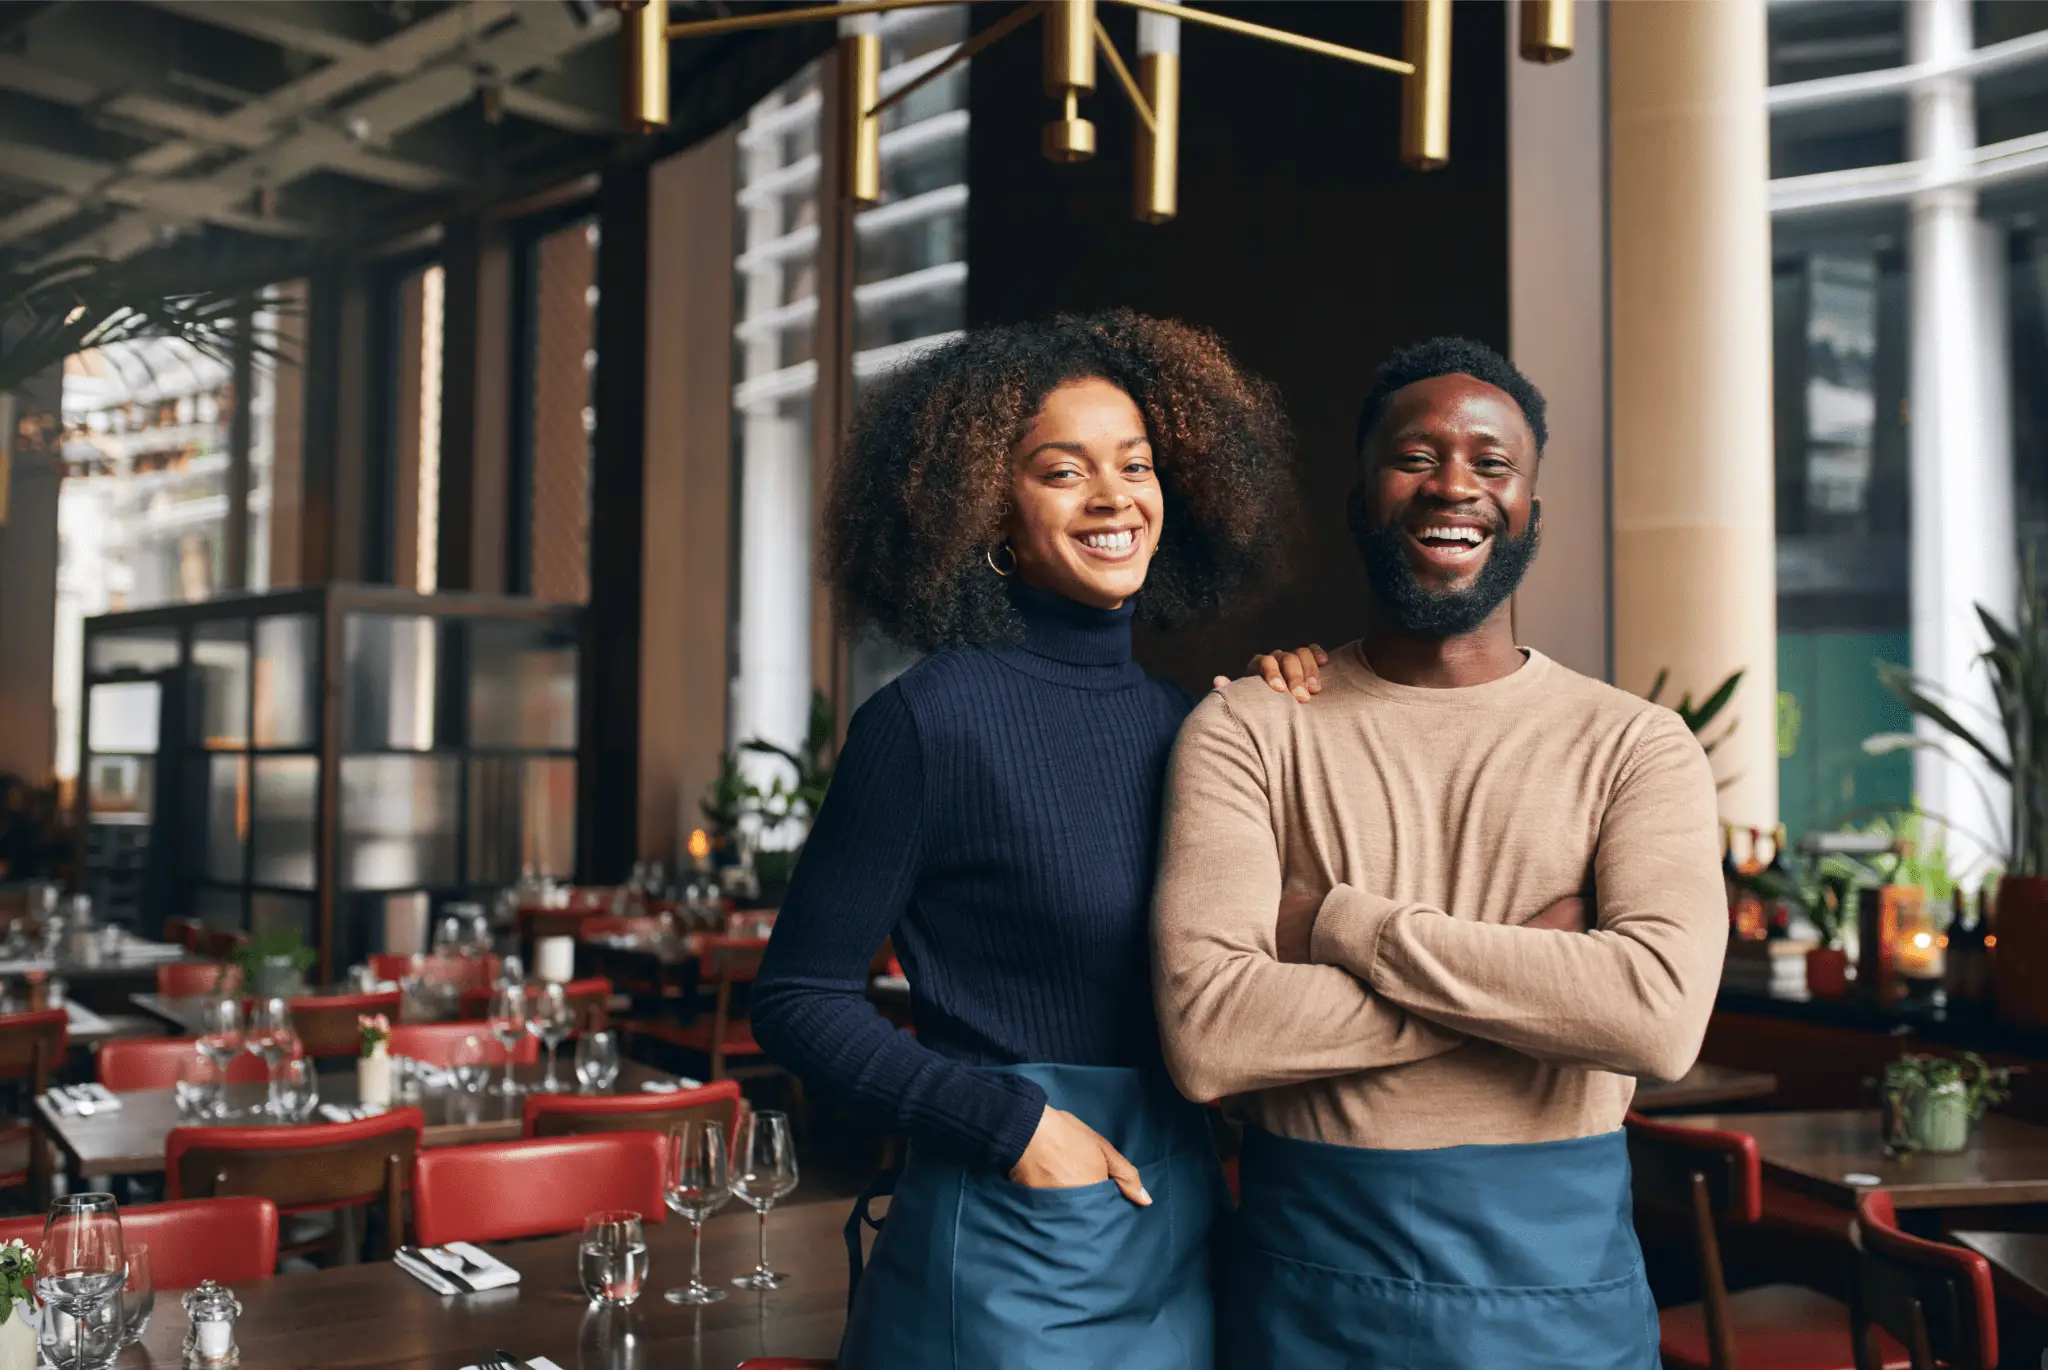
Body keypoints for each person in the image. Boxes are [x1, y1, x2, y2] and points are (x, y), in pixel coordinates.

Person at [751, 310, 1312, 1370]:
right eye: (1063, 470)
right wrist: (1015, 1128)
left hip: (1182, 1224)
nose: (1114, 497)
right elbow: (797, 1000)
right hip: (1011, 1237)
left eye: (1136, 465)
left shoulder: (1193, 721)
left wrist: (1303, 711)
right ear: (989, 514)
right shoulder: (929, 720)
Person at [1152, 337, 1727, 1369]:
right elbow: (1209, 1036)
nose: (1451, 483)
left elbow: (1654, 1015)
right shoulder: (1249, 728)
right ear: (1357, 501)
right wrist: (1532, 982)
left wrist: (1338, 923)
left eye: (1490, 461)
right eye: (1414, 456)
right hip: (1312, 1290)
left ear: (1529, 514)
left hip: (1560, 1296)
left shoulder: (1636, 743)